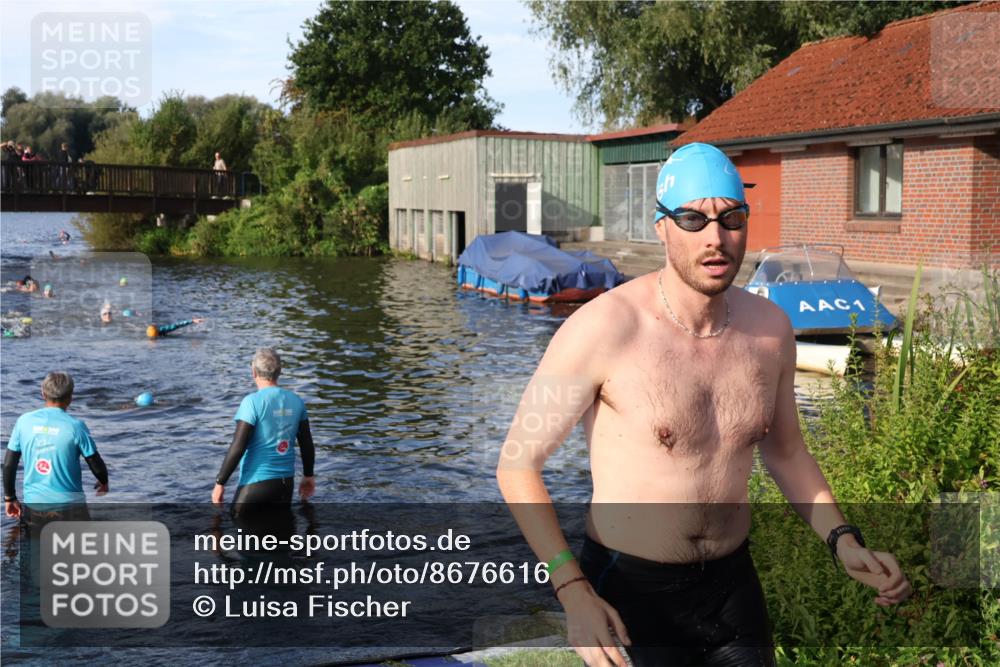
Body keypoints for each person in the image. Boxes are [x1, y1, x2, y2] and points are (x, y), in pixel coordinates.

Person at [496, 142, 911, 667]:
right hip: (630, 590)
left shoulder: (770, 330)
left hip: (731, 586)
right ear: (661, 227)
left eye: (731, 218)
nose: (715, 238)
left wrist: (842, 539)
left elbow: (786, 453)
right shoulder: (603, 328)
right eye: (693, 219)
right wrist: (572, 589)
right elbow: (518, 464)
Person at [212, 348, 315, 510]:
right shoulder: (297, 401)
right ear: (279, 371)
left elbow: (238, 446)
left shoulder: (251, 402)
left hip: (255, 485)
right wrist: (308, 476)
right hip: (285, 486)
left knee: (234, 524)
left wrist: (220, 483)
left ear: (254, 372)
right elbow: (306, 443)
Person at [3, 372, 109, 520]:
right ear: (70, 397)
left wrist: (10, 497)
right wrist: (103, 481)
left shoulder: (23, 422)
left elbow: (9, 464)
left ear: (42, 393)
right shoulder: (76, 427)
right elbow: (94, 462)